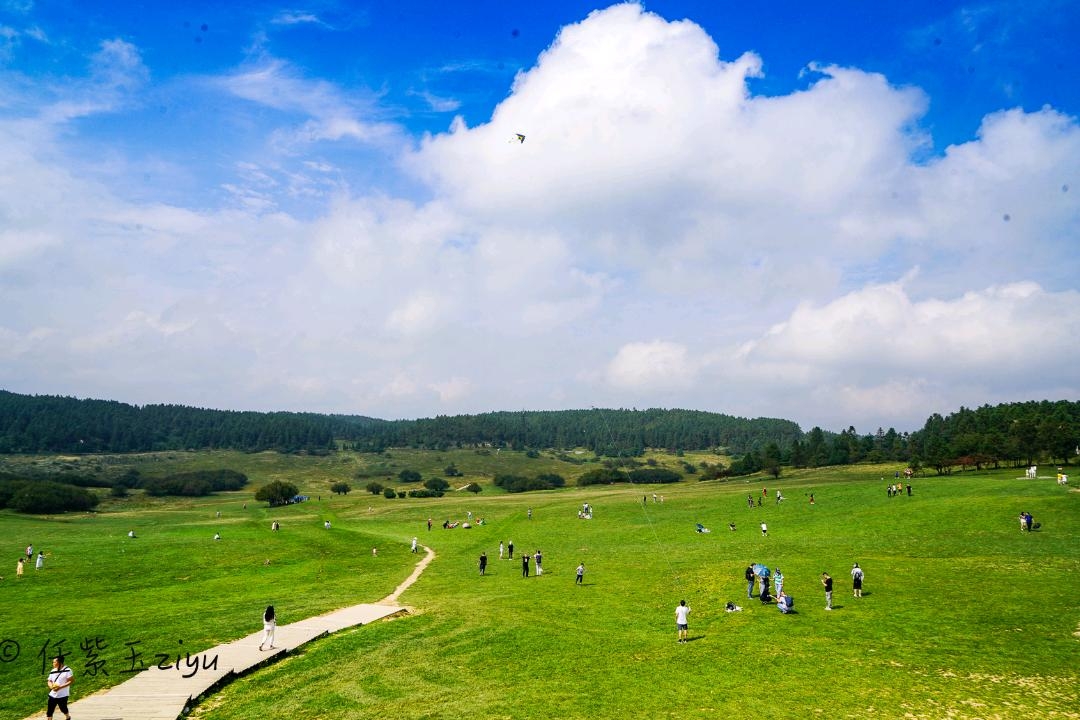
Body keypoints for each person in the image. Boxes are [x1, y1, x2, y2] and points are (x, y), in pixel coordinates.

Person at [46, 654, 73, 720]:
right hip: (53, 694)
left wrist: (60, 687)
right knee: (50, 710)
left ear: (60, 662)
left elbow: (70, 681)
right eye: (53, 662)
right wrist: (51, 686)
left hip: (63, 695)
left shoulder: (68, 670)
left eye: (54, 662)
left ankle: (68, 717)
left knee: (63, 708)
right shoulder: (53, 671)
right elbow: (49, 681)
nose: (53, 663)